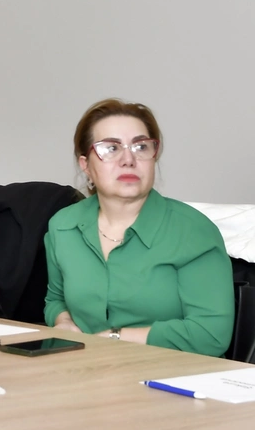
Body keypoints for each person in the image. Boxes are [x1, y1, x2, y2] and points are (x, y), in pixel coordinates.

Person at [44, 99, 233, 356]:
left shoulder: (192, 230)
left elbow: (211, 334)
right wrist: (64, 322)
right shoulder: (63, 226)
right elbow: (56, 300)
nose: (128, 159)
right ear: (86, 165)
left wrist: (114, 338)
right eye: (111, 148)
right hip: (84, 367)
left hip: (173, 372)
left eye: (141, 146)